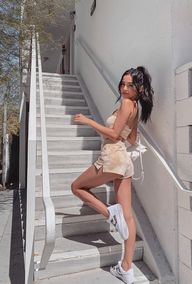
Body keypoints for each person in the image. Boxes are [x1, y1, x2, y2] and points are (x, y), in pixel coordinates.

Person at [71, 66, 154, 284]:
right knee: (127, 216)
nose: (125, 88)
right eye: (123, 84)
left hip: (111, 158)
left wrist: (88, 121)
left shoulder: (126, 103)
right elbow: (132, 139)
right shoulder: (135, 107)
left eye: (130, 85)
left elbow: (114, 134)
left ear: (139, 88)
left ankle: (109, 213)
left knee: (77, 187)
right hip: (124, 162)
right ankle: (127, 268)